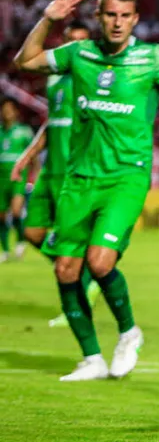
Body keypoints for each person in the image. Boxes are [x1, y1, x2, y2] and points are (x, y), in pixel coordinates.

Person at [13, 0, 159, 381]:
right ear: (98, 17)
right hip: (79, 178)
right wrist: (48, 19)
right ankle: (92, 359)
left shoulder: (152, 58)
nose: (117, 23)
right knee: (65, 269)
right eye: (110, 15)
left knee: (99, 261)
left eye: (124, 16)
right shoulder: (79, 54)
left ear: (135, 19)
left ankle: (129, 333)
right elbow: (26, 60)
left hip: (126, 177)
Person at [11, 21, 102, 328]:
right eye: (70, 41)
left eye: (81, 42)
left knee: (68, 244)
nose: (75, 47)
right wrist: (28, 155)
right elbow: (53, 122)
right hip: (51, 169)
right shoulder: (54, 79)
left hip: (75, 171)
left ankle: (76, 302)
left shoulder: (91, 79)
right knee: (32, 232)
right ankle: (85, 275)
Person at [0, 98, 35, 262]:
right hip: (1, 178)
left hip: (18, 177)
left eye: (9, 109)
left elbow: (34, 155)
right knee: (1, 215)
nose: (7, 113)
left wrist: (35, 175)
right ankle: (5, 250)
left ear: (15, 112)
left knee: (16, 211)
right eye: (4, 109)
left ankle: (20, 241)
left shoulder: (24, 131)